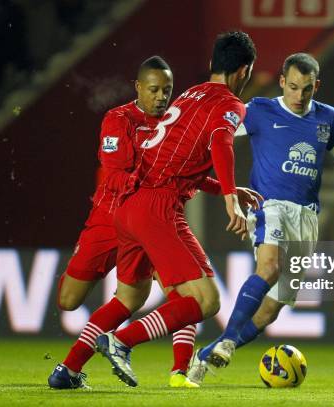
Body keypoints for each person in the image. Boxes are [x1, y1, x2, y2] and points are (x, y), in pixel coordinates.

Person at [188, 53, 334, 382]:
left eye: (306, 89)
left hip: (306, 219)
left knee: (269, 311)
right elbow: (221, 134)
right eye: (292, 87)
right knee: (269, 267)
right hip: (269, 205)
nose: (299, 96)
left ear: (316, 86)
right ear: (281, 83)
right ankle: (229, 341)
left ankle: (206, 354)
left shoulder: (328, 119)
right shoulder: (260, 110)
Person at [48, 55, 260, 389]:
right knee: (69, 300)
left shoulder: (175, 116)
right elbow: (119, 171)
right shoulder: (119, 119)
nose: (162, 97)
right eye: (155, 90)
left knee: (153, 296)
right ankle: (121, 345)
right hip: (116, 214)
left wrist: (221, 189)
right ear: (138, 88)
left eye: (167, 90)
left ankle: (167, 371)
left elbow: (178, 166)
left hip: (143, 211)